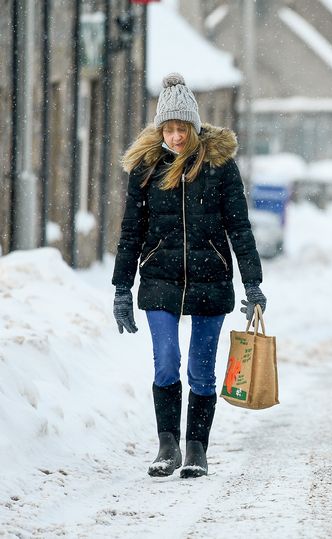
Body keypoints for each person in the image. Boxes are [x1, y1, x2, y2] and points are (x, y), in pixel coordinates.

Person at [112, 73, 266, 479]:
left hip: (210, 278)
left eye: (182, 128)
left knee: (201, 369)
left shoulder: (219, 168)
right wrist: (121, 289)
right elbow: (131, 231)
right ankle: (168, 445)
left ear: (194, 127)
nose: (176, 137)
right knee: (166, 362)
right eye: (170, 128)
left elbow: (240, 228)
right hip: (160, 279)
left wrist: (253, 283)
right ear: (161, 127)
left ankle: (196, 448)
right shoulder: (145, 169)